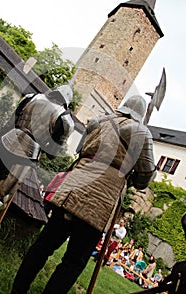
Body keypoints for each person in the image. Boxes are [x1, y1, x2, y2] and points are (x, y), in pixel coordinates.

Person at [11, 94, 157, 294]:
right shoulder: (141, 132)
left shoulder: (99, 120)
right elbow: (145, 178)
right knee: (73, 261)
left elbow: (80, 150)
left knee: (43, 246)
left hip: (73, 187)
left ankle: (18, 290)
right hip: (101, 199)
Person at [0, 85, 74, 265]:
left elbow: (11, 121)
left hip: (7, 141)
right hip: (26, 153)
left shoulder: (33, 97)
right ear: (66, 102)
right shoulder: (65, 119)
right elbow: (52, 152)